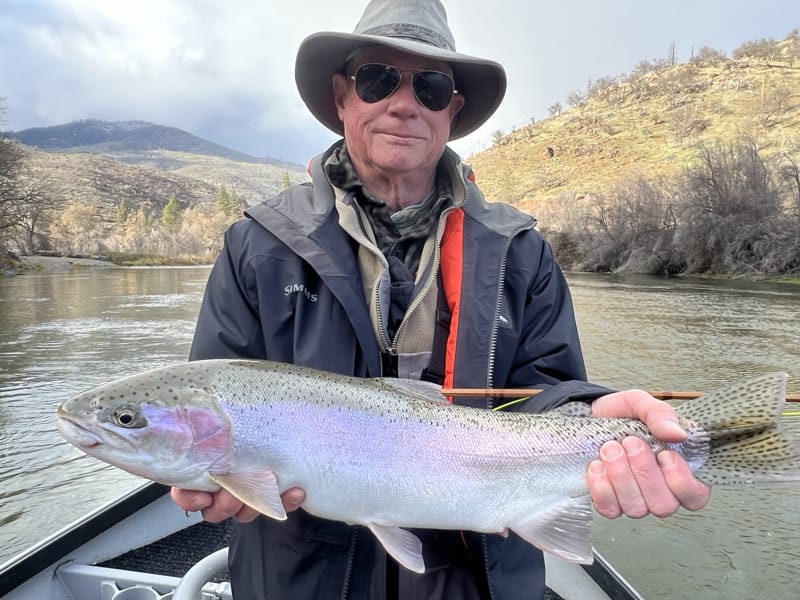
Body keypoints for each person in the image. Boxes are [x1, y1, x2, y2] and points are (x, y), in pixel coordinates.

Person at [171, 0, 711, 598]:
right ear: (342, 96)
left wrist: (592, 412)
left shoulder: (521, 250)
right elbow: (213, 394)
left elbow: (549, 393)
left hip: (479, 575)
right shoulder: (256, 246)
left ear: (451, 112)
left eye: (430, 88)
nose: (404, 103)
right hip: (302, 575)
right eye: (378, 79)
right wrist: (214, 480)